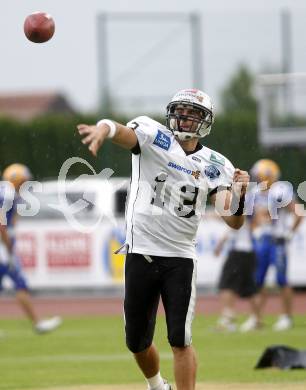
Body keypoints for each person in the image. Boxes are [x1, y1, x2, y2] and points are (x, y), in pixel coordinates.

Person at [78, 88, 249, 390]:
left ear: (205, 121)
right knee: (136, 342)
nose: (184, 118)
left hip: (180, 258)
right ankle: (157, 385)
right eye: (180, 111)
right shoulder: (152, 135)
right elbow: (120, 131)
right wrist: (102, 129)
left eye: (192, 113)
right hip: (141, 250)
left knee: (180, 340)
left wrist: (239, 194)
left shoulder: (216, 164)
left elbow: (233, 220)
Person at [240, 159, 303, 332]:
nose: (256, 178)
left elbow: (298, 211)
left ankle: (286, 317)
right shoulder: (254, 193)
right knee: (258, 280)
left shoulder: (280, 190)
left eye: (259, 174)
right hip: (261, 241)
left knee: (281, 280)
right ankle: (256, 318)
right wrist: (254, 233)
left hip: (278, 239)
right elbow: (249, 220)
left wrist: (290, 232)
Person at [0, 163, 62, 334]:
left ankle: (37, 323)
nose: (26, 184)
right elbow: (2, 225)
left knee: (19, 284)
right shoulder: (7, 194)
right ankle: (37, 323)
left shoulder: (9, 193)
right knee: (20, 284)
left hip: (4, 247)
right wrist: (8, 247)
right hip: (2, 248)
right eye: (24, 181)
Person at [214, 215, 260, 332]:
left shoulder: (242, 208)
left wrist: (220, 244)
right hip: (247, 252)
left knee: (226, 284)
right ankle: (256, 318)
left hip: (239, 252)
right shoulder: (249, 209)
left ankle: (228, 318)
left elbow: (233, 225)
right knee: (249, 287)